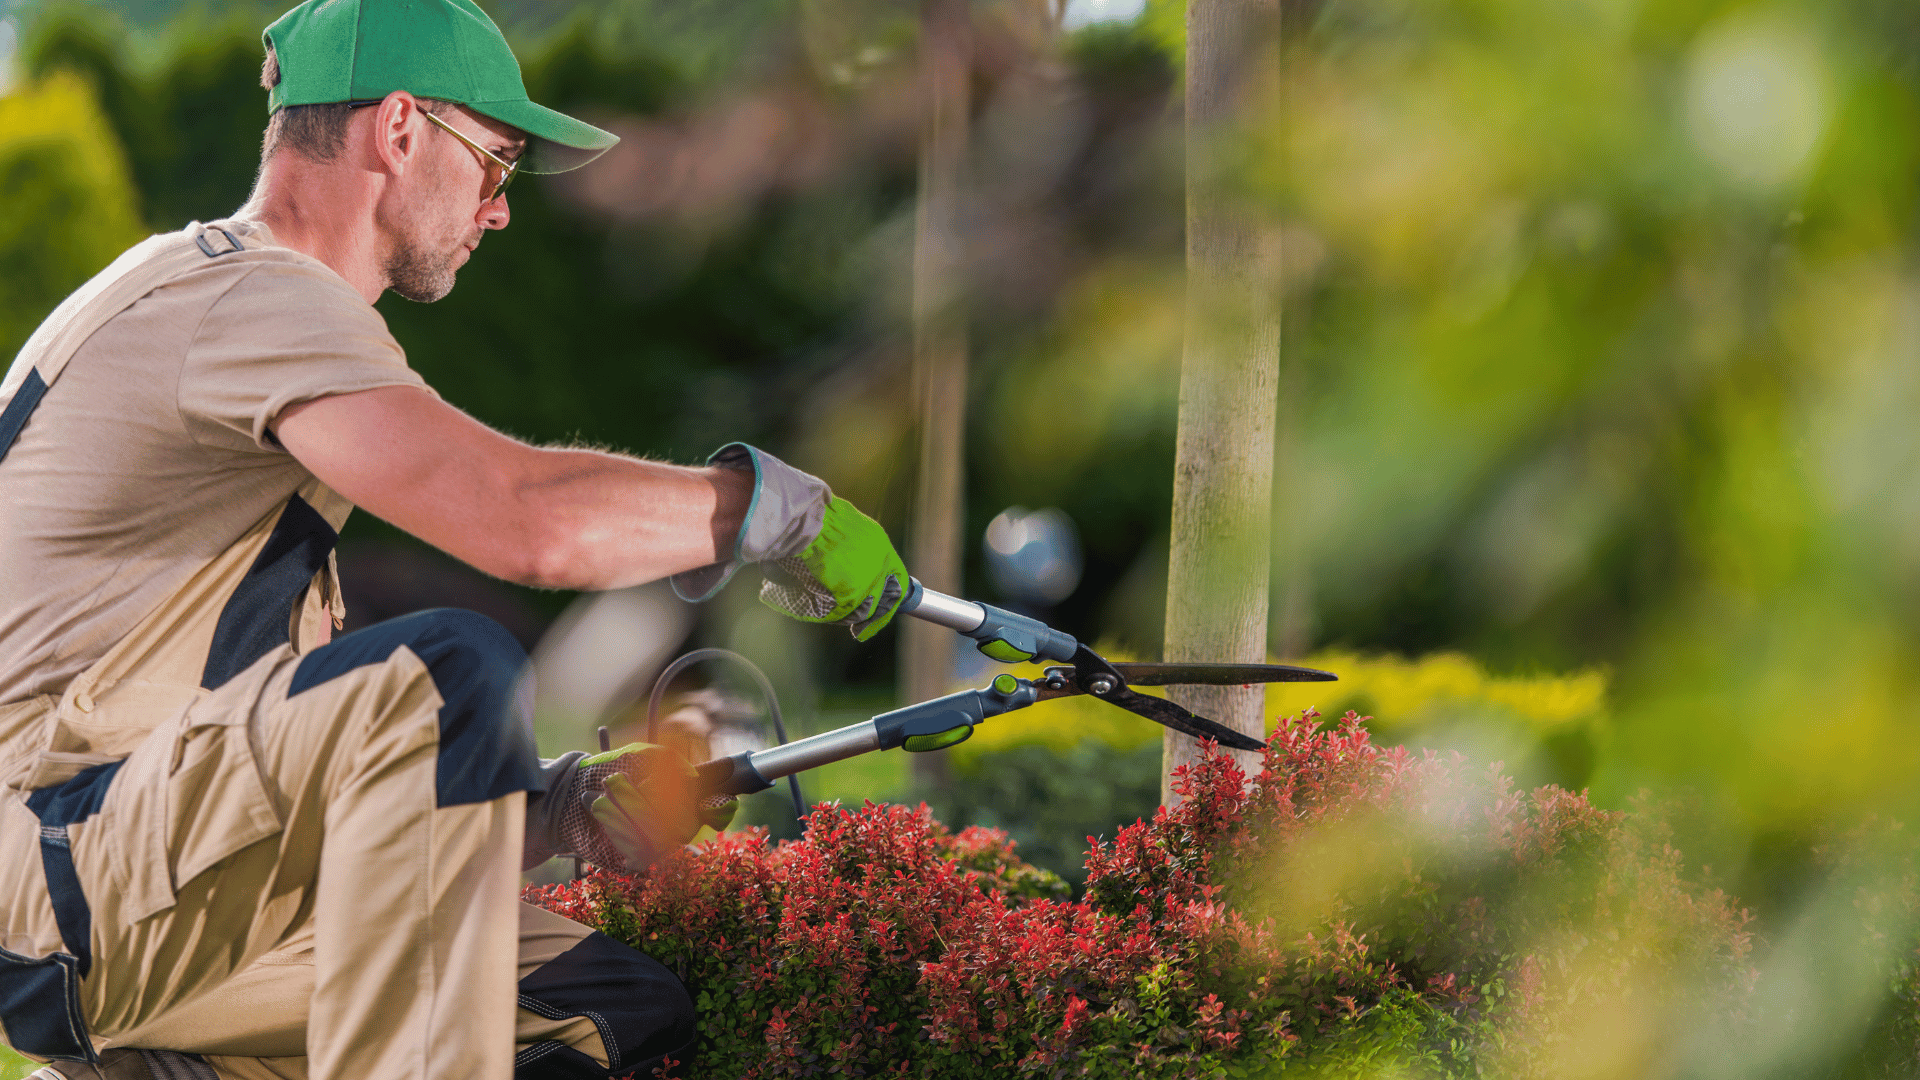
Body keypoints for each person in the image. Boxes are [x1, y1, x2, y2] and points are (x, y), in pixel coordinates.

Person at [0, 1, 909, 1078]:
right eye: (496, 163)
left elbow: (286, 771)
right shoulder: (251, 296)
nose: (499, 210)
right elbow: (523, 518)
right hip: (72, 878)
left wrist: (557, 805)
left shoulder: (212, 320)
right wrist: (769, 510)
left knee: (611, 1011)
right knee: (443, 674)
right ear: (398, 130)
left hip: (144, 870)